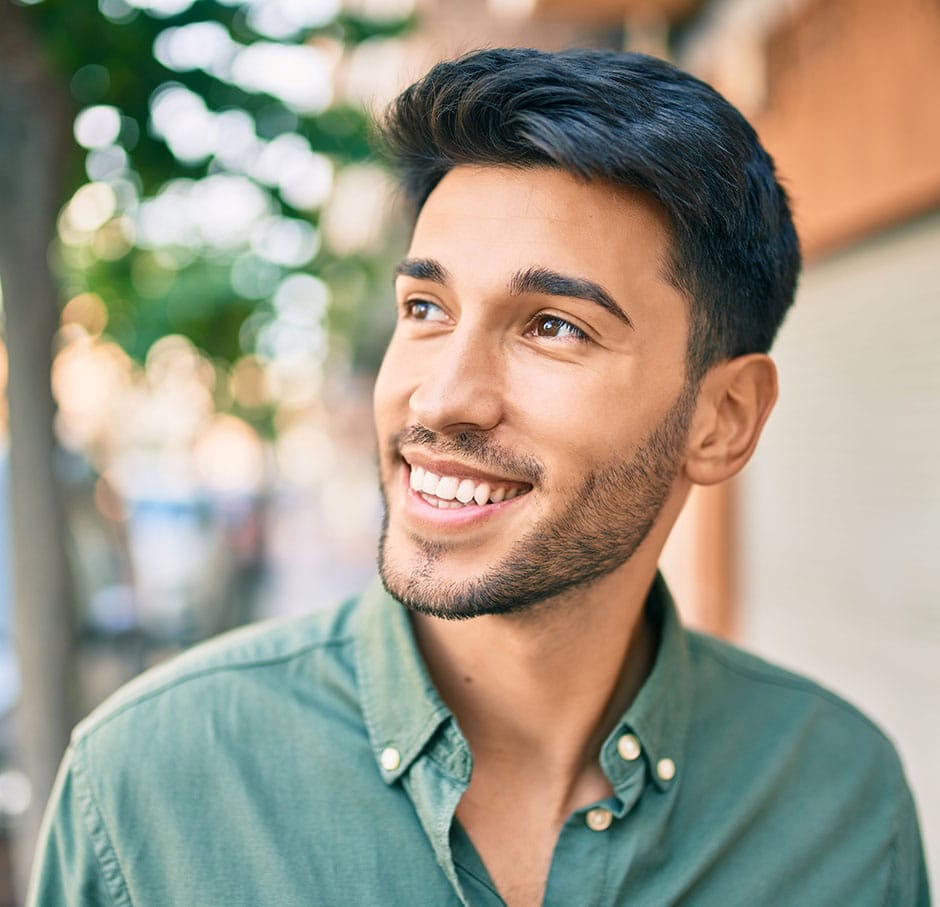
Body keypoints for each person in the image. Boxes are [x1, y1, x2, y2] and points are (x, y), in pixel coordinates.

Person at [28, 48, 929, 906]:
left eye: (554, 326)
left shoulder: (839, 800)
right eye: (426, 307)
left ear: (721, 419)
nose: (445, 396)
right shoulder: (145, 783)